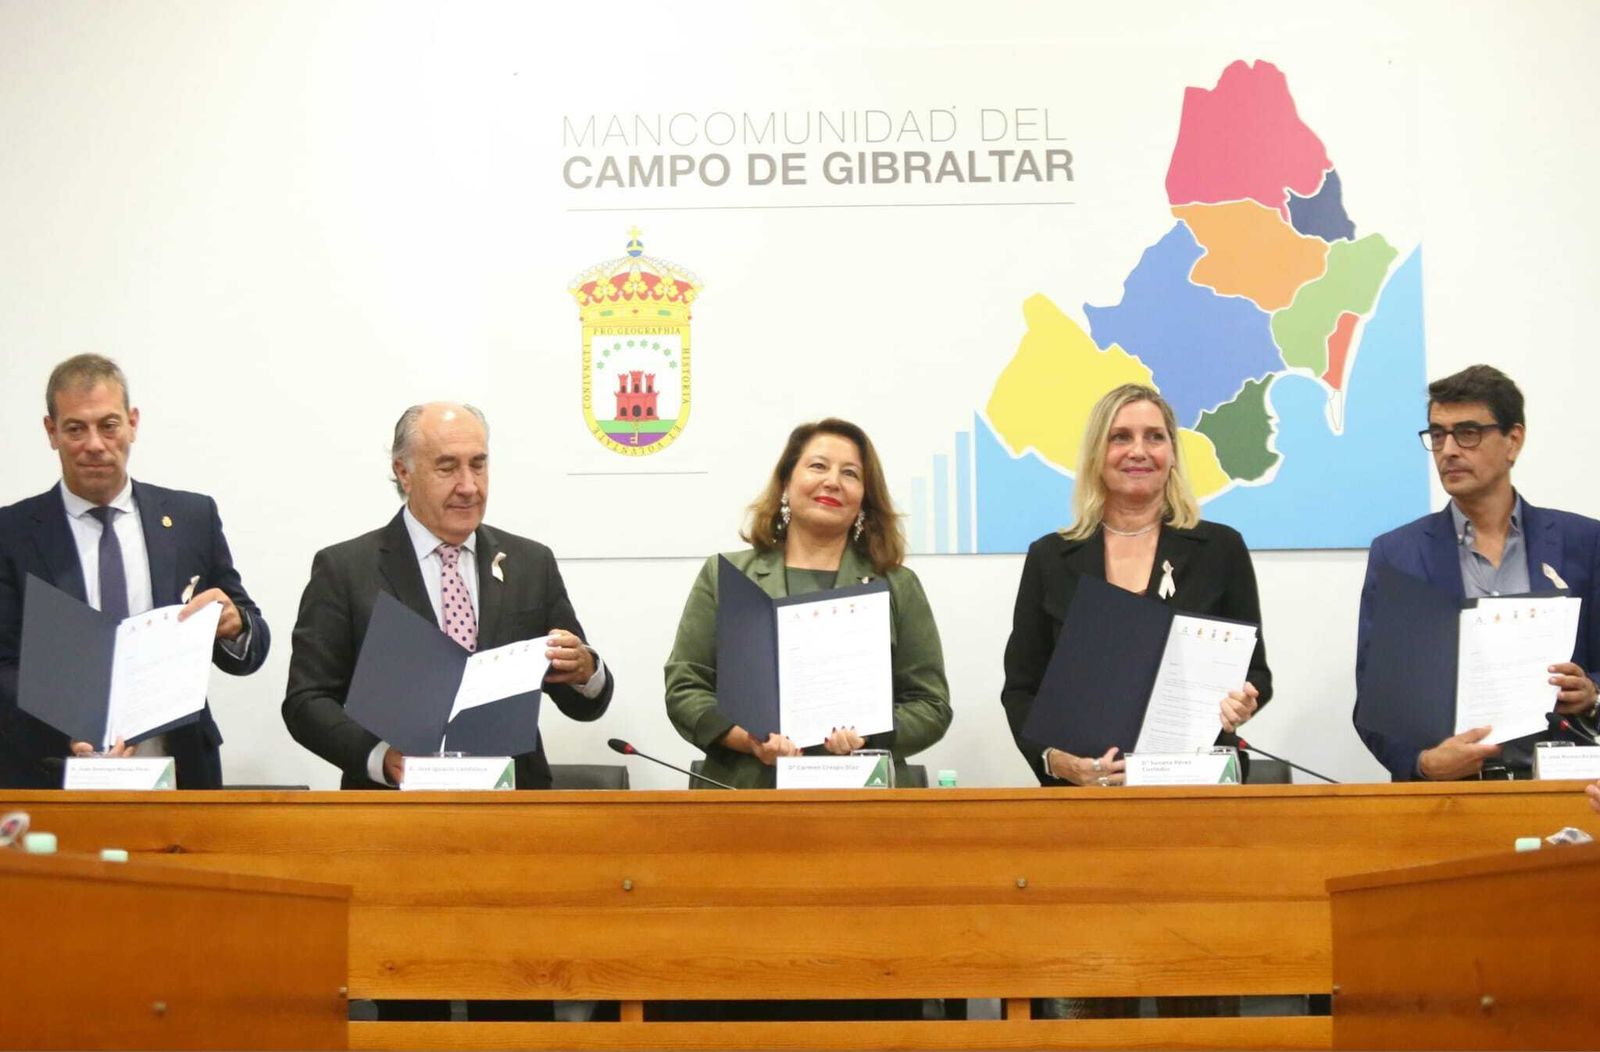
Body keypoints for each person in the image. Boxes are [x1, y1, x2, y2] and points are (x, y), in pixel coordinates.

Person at [281, 402, 613, 791]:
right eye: (447, 467)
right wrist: (380, 758)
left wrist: (586, 670)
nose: (469, 486)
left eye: (478, 464)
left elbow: (583, 703)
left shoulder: (530, 563)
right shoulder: (346, 570)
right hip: (392, 816)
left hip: (514, 812)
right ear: (404, 472)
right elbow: (307, 701)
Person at [0, 355, 270, 789]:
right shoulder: (10, 534)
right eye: (75, 428)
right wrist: (66, 718)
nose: (94, 443)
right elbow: (4, 663)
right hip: (50, 775)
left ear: (132, 423)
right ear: (51, 432)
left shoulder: (191, 517)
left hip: (180, 773)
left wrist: (235, 625)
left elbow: (251, 647)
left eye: (108, 425)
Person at [1002, 383, 1271, 789]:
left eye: (1155, 437)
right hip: (1084, 795)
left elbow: (1256, 673)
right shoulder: (1050, 558)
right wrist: (1058, 763)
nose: (1139, 451)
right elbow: (1022, 690)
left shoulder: (1220, 549)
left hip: (1196, 791)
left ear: (1173, 456)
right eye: (1120, 437)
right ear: (1097, 454)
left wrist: (1245, 701)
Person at [664, 418, 951, 790]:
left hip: (862, 802)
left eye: (850, 473)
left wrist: (869, 736)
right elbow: (685, 686)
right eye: (818, 466)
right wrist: (745, 739)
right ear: (786, 481)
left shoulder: (896, 585)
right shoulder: (727, 576)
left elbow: (931, 705)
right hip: (747, 795)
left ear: (865, 496)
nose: (832, 481)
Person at [1355, 365, 1600, 781]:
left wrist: (1592, 695)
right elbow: (1378, 703)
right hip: (1449, 793)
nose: (1448, 449)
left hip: (1565, 784)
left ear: (1513, 441)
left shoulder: (1584, 541)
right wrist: (1423, 764)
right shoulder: (1398, 554)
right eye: (1437, 434)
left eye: (1467, 432)